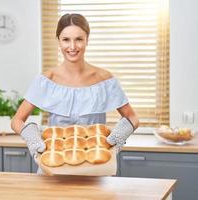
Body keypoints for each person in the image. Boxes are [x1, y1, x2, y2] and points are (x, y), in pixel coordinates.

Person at [11, 13, 139, 169]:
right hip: (54, 166)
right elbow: (16, 120)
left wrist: (119, 136)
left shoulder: (104, 79)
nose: (72, 47)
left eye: (79, 39)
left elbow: (132, 117)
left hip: (95, 166)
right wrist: (31, 137)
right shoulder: (46, 80)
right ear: (58, 41)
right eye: (66, 40)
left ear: (87, 40)